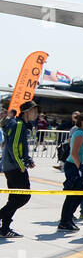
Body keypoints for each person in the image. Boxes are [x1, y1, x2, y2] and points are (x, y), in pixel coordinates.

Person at [0, 100, 40, 237]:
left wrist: (28, 160)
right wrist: (21, 165)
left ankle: (4, 229)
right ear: (27, 112)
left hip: (12, 166)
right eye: (34, 111)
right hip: (14, 167)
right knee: (23, 197)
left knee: (14, 199)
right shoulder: (18, 124)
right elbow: (13, 147)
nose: (37, 114)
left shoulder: (21, 124)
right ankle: (2, 221)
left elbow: (20, 147)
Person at [58, 111, 83, 231]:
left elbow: (80, 147)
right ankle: (65, 221)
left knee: (79, 194)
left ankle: (67, 219)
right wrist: (81, 167)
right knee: (73, 195)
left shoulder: (81, 133)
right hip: (74, 166)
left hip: (77, 165)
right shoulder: (80, 133)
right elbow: (74, 153)